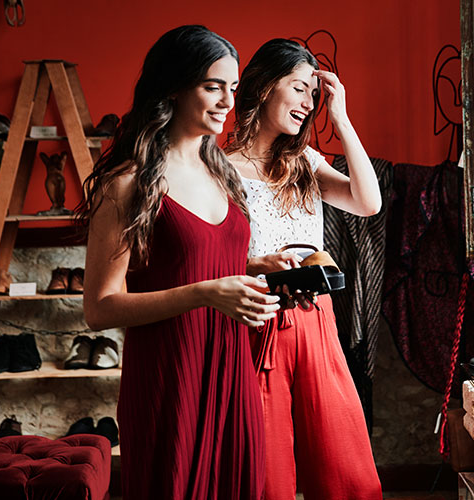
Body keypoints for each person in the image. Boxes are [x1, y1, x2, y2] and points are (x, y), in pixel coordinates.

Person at [77, 25, 280, 500]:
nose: (228, 100)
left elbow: (195, 260)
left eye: (232, 88)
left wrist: (254, 268)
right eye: (213, 86)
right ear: (173, 86)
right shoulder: (127, 183)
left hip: (233, 371)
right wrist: (205, 293)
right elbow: (100, 307)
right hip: (171, 380)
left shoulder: (224, 173)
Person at [225, 38, 383, 500]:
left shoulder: (305, 163)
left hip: (316, 320)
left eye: (313, 95)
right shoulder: (219, 168)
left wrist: (343, 120)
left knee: (344, 463)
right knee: (267, 471)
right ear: (264, 86)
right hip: (256, 322)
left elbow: (367, 202)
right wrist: (255, 265)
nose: (307, 104)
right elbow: (212, 255)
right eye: (298, 88)